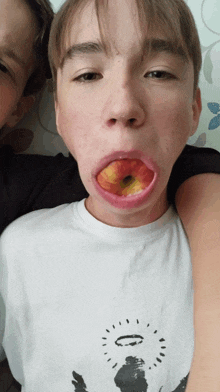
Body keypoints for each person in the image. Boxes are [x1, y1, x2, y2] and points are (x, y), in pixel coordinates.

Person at [1, 0, 220, 390]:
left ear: (193, 110)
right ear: (59, 115)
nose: (123, 106)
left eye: (158, 72)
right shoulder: (16, 252)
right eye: (88, 75)